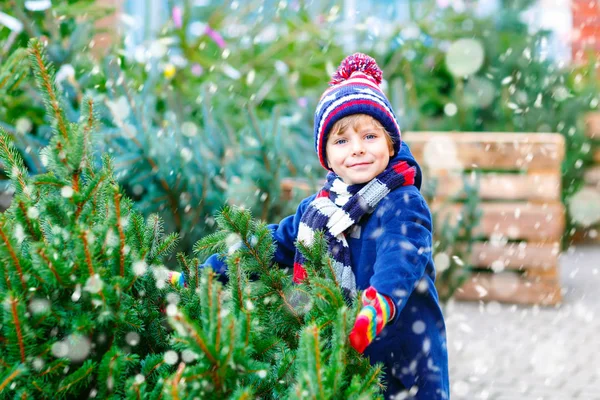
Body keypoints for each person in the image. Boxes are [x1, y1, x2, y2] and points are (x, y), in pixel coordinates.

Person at [172, 53, 449, 399]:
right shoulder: (318, 211)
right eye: (342, 141)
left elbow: (401, 260)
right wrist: (204, 276)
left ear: (390, 143)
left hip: (402, 360)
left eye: (370, 137)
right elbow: (267, 246)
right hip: (342, 362)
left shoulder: (403, 202)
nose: (358, 150)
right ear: (327, 156)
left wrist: (376, 308)